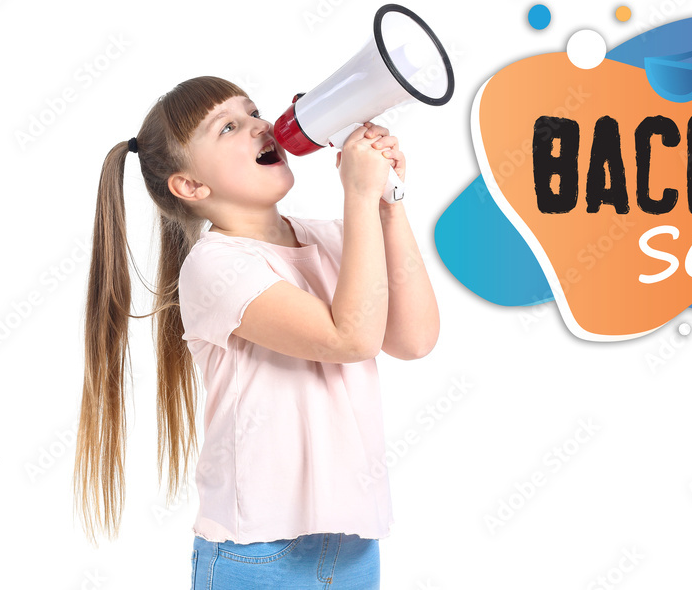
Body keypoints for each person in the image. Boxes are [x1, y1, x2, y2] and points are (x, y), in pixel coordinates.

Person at [74, 76, 439, 588]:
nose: (259, 126)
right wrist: (356, 197)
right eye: (229, 127)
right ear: (191, 186)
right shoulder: (214, 266)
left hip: (352, 543)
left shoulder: (335, 239)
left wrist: (385, 206)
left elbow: (414, 338)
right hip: (258, 553)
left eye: (253, 112)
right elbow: (349, 339)